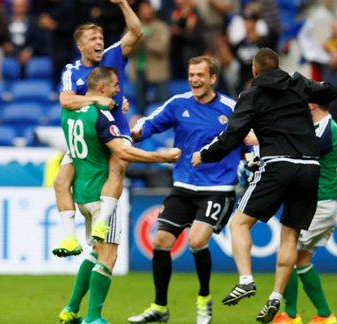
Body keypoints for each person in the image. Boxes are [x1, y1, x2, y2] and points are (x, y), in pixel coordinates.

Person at [191, 48, 337, 323]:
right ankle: (275, 297)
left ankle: (246, 279)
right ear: (279, 67)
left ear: (255, 71)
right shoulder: (297, 83)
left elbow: (232, 134)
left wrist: (205, 155)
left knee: (239, 224)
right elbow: (329, 92)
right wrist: (312, 88)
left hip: (278, 165)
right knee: (290, 236)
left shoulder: (251, 95)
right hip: (310, 168)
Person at [58, 66, 181, 324]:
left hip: (82, 194)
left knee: (95, 252)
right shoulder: (100, 115)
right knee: (108, 257)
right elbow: (122, 152)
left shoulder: (68, 115)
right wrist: (162, 157)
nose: (118, 89)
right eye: (114, 85)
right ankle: (94, 318)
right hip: (103, 197)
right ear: (101, 88)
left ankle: (71, 309)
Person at [127, 56, 241, 324]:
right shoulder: (178, 104)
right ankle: (160, 307)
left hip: (218, 187)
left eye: (200, 75)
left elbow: (250, 138)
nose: (194, 80)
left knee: (196, 241)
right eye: (191, 75)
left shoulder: (230, 108)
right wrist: (130, 134)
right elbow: (149, 124)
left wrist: (252, 157)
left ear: (213, 78)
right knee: (161, 242)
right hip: (183, 186)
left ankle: (204, 301)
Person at [51, 0, 142, 258]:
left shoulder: (113, 55)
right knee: (60, 182)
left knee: (119, 165)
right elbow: (66, 100)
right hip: (87, 140)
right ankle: (70, 238)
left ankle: (103, 221)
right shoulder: (72, 71)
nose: (99, 41)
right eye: (93, 38)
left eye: (100, 36)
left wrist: (123, 4)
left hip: (115, 131)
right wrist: (98, 99)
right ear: (81, 46)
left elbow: (136, 33)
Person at [272, 103, 337, 324]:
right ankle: (324, 315)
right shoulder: (321, 127)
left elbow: (302, 150)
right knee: (301, 259)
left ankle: (291, 315)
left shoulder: (328, 129)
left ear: (311, 105)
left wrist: (264, 142)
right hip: (317, 202)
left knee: (287, 254)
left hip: (319, 203)